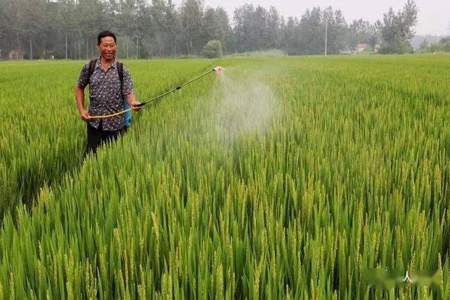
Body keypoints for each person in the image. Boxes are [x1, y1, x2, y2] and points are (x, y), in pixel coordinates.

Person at [75, 30, 141, 155]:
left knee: (113, 162)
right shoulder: (90, 67)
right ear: (99, 46)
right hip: (94, 124)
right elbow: (79, 87)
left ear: (116, 46)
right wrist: (82, 110)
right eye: (105, 45)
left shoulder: (122, 70)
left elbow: (128, 92)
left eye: (112, 45)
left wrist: (133, 102)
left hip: (115, 126)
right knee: (92, 160)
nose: (109, 49)